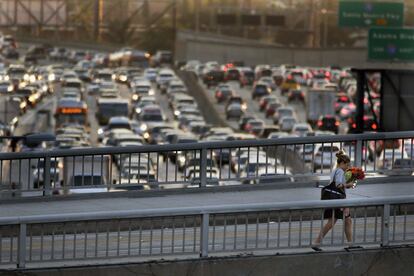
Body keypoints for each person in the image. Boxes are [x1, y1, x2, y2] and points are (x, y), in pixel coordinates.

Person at [312, 151, 355, 251]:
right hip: (338, 200)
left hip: (337, 199)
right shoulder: (340, 171)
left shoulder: (336, 170)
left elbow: (338, 185)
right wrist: (348, 185)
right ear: (342, 163)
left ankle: (351, 245)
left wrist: (349, 184)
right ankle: (316, 242)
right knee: (334, 222)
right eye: (347, 165)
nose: (347, 167)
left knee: (347, 221)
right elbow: (338, 185)